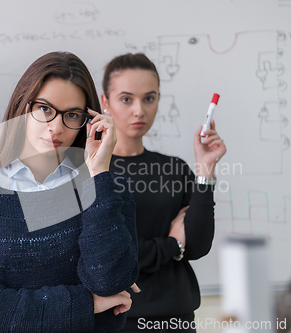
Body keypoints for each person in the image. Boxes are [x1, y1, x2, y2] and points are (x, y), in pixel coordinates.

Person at [0, 51, 140, 333]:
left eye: (72, 115)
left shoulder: (108, 188)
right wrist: (86, 304)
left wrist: (98, 173)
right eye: (45, 109)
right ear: (23, 106)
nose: (56, 127)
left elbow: (109, 282)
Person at [101, 53, 227, 332]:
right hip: (115, 321)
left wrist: (205, 171)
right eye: (126, 99)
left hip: (175, 318)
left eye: (149, 98)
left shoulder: (174, 168)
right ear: (105, 103)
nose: (139, 110)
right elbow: (111, 256)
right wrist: (172, 246)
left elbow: (197, 246)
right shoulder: (94, 172)